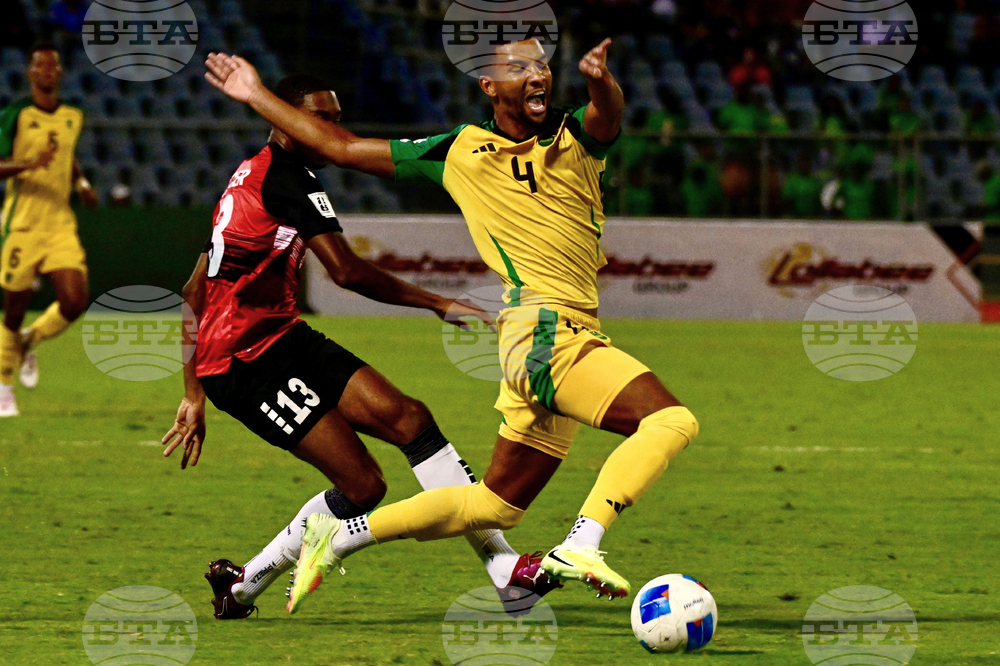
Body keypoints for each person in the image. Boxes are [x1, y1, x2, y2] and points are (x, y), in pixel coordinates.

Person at [205, 37, 700, 613]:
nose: (536, 75)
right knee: (670, 420)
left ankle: (336, 539)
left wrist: (600, 80)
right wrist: (255, 93)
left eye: (542, 65)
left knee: (490, 504)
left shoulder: (575, 138)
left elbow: (607, 112)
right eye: (519, 67)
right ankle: (581, 543)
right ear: (488, 86)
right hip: (544, 332)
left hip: (548, 332)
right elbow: (341, 155)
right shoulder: (457, 149)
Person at [161, 74, 558, 619]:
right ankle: (244, 585)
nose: (333, 131)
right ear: (284, 120)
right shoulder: (286, 179)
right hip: (242, 364)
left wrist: (191, 394)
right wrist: (437, 302)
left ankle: (504, 570)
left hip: (283, 337)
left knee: (411, 419)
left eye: (337, 119)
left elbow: (193, 288)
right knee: (364, 486)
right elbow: (346, 272)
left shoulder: (253, 174)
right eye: (321, 119)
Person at [0, 41, 97, 417]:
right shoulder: (16, 114)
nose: (46, 72)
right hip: (22, 222)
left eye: (52, 66)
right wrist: (29, 164)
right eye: (39, 66)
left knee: (74, 300)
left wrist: (82, 183)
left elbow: (67, 156)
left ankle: (30, 339)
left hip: (59, 222)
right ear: (29, 73)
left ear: (59, 72)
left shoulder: (73, 115)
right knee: (13, 308)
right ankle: (4, 387)